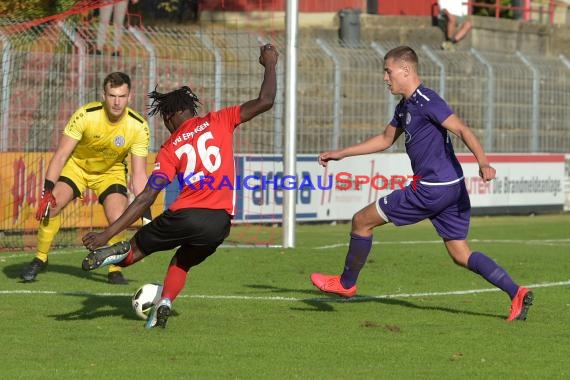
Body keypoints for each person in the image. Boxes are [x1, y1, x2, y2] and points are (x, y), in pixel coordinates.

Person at [310, 46, 533, 322]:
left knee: (361, 221)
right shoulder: (404, 107)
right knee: (460, 253)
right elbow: (384, 139)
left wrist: (483, 162)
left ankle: (346, 283)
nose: (385, 78)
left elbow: (462, 128)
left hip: (432, 188)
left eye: (388, 71)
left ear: (405, 70)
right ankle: (516, 293)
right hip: (453, 187)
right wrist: (341, 153)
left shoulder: (427, 100)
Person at [80, 43, 278, 328]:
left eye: (164, 119)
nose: (165, 125)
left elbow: (147, 196)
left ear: (172, 115)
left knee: (131, 254)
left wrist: (107, 233)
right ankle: (165, 303)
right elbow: (266, 99)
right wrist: (269, 63)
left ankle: (113, 250)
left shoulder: (170, 147)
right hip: (219, 222)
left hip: (184, 215)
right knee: (182, 262)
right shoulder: (220, 119)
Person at [20, 72, 150, 285]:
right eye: (112, 95)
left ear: (130, 97)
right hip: (77, 168)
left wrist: (146, 215)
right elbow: (61, 154)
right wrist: (47, 191)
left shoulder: (138, 126)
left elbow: (139, 174)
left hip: (111, 172)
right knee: (51, 207)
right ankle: (40, 258)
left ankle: (114, 269)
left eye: (122, 96)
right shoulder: (86, 115)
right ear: (104, 95)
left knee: (119, 216)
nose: (117, 102)